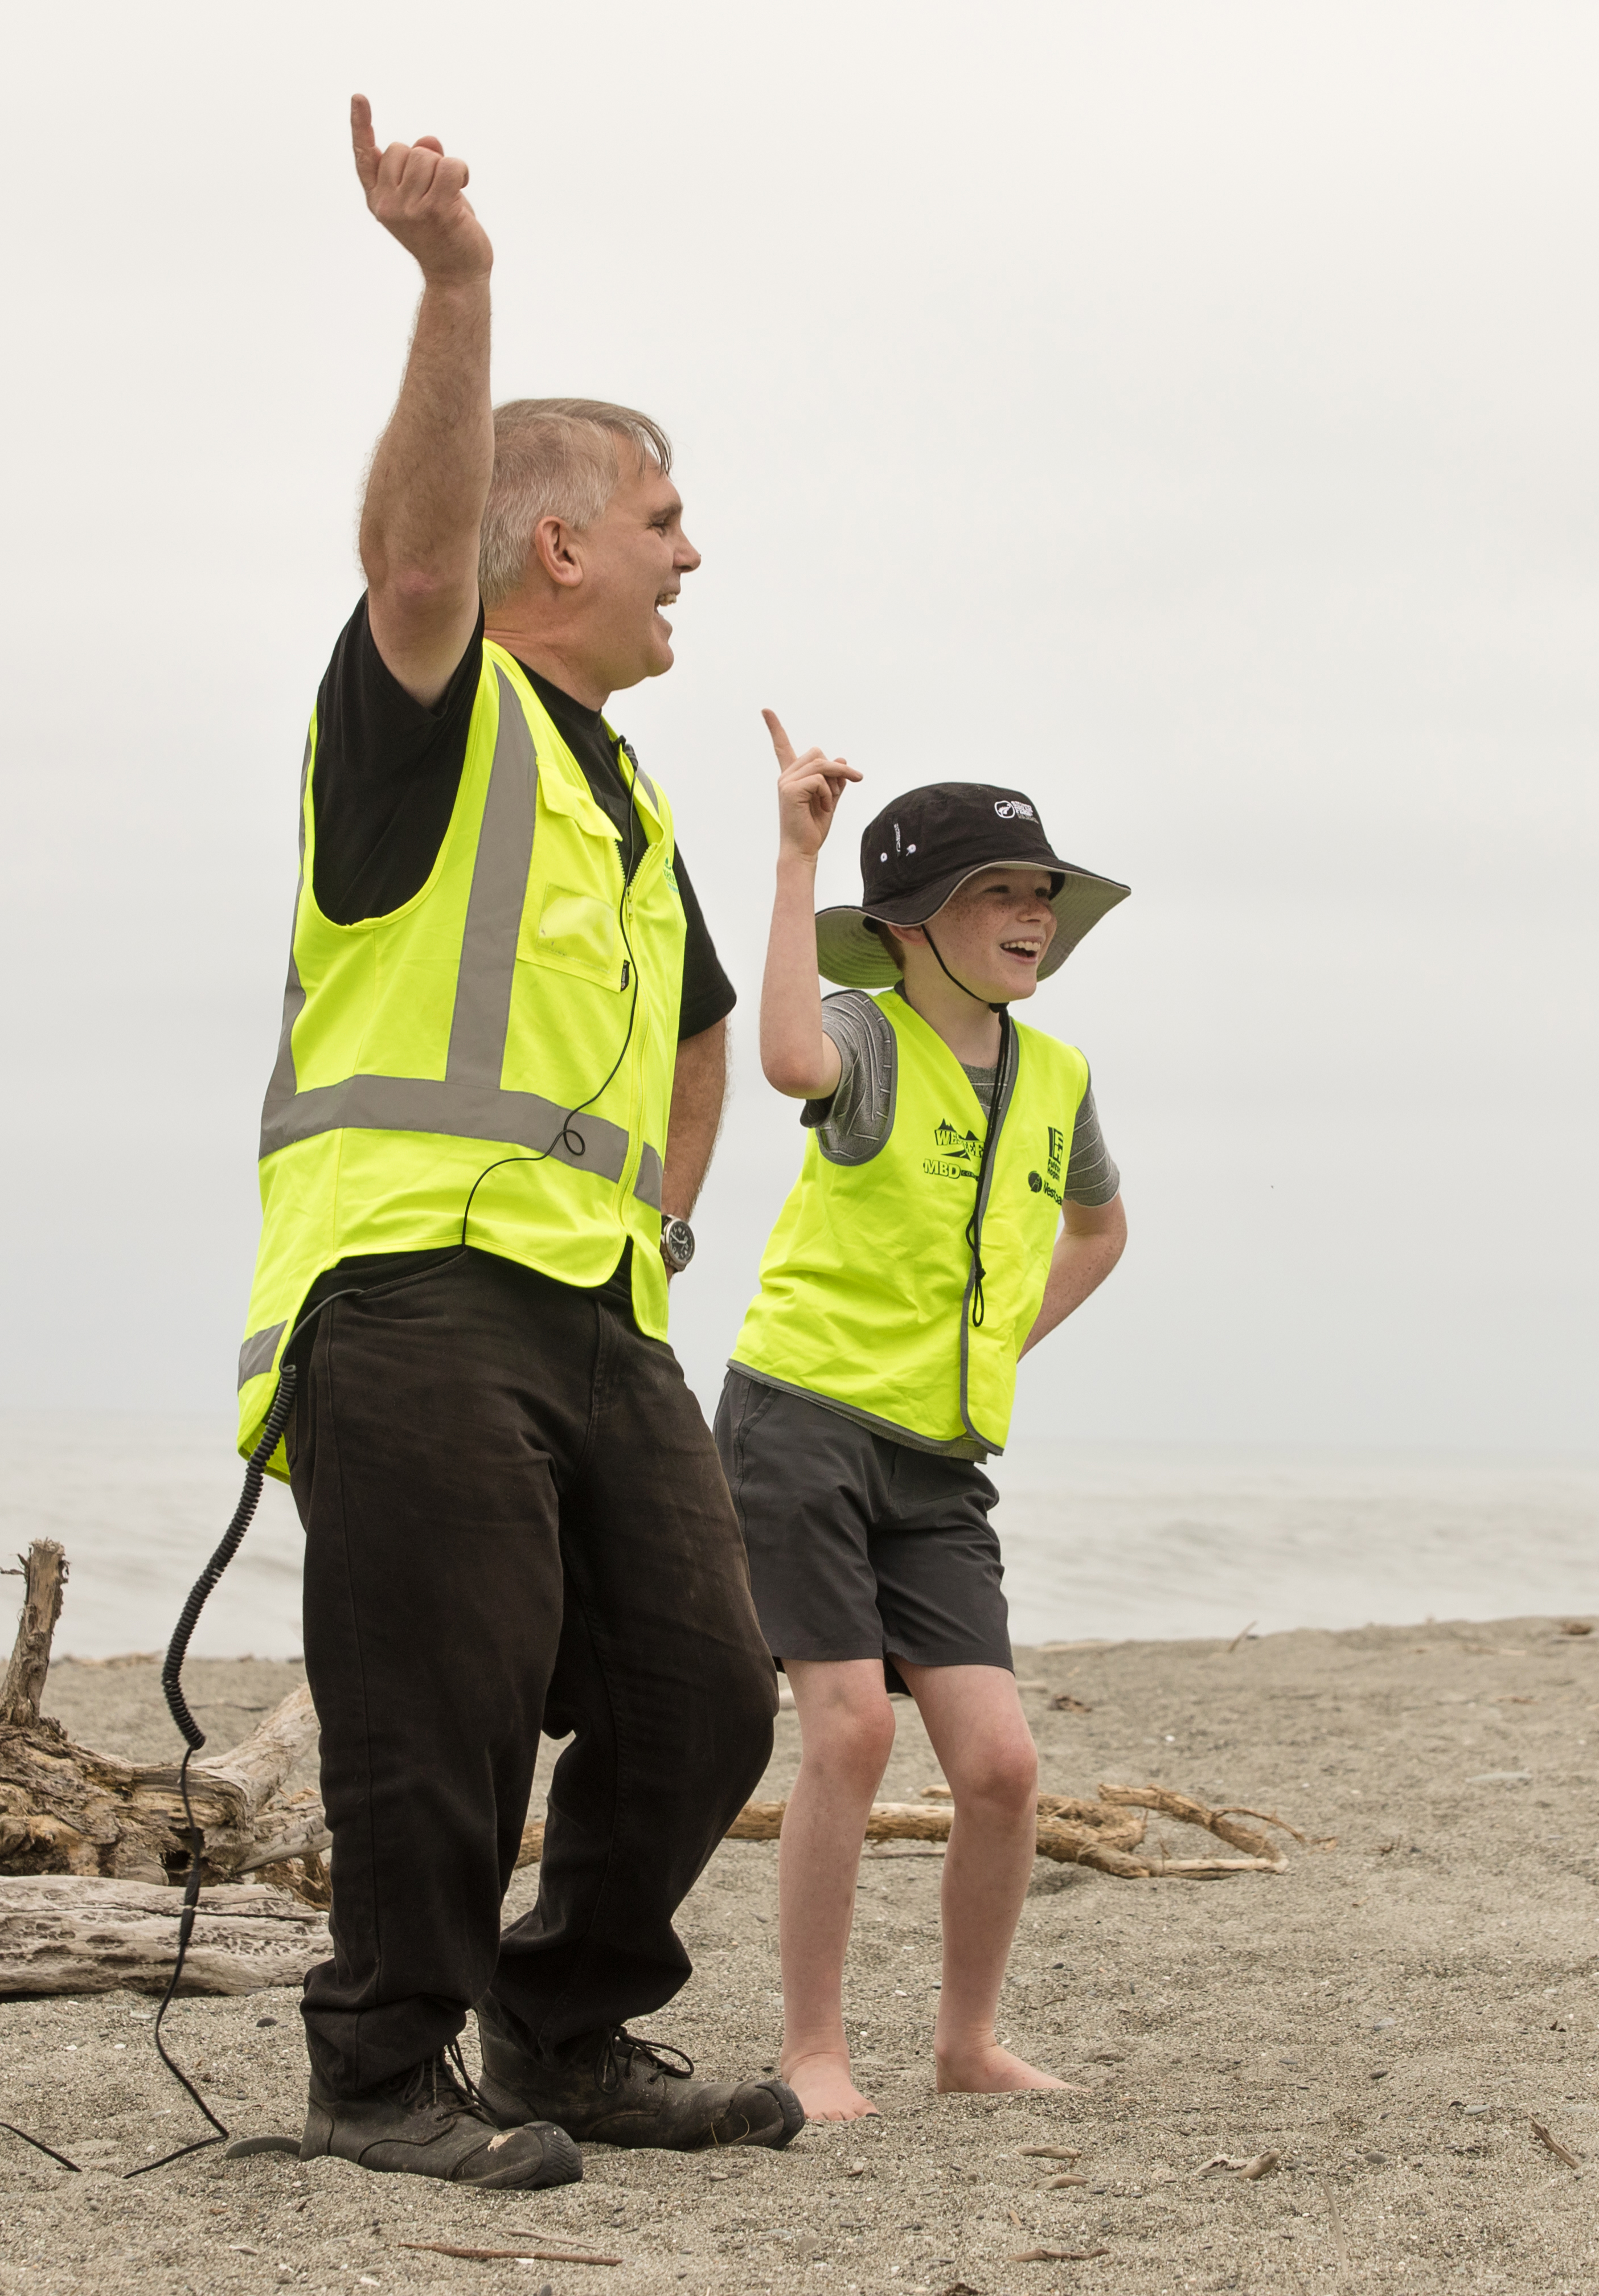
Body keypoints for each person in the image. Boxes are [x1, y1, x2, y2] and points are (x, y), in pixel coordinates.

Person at [236, 99, 796, 2190]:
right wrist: (459, 283)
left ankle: (563, 2033)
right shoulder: (429, 711)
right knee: (442, 1700)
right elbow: (410, 552)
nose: (689, 553)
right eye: (663, 516)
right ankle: (381, 2072)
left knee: (707, 1691)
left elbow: (704, 1044)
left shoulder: (631, 796)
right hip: (399, 1283)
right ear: (555, 542)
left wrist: (661, 1210)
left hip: (595, 1307)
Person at [712, 714, 1131, 2121]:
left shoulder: (1058, 1077)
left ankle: (964, 2044)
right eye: (997, 893)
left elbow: (1100, 1231)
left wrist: (995, 1341)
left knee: (1004, 1765)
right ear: (906, 929)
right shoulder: (864, 1038)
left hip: (941, 1462)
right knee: (846, 1735)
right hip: (804, 1425)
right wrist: (791, 857)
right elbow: (779, 1059)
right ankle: (813, 2050)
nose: (1033, 915)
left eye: (1041, 894)